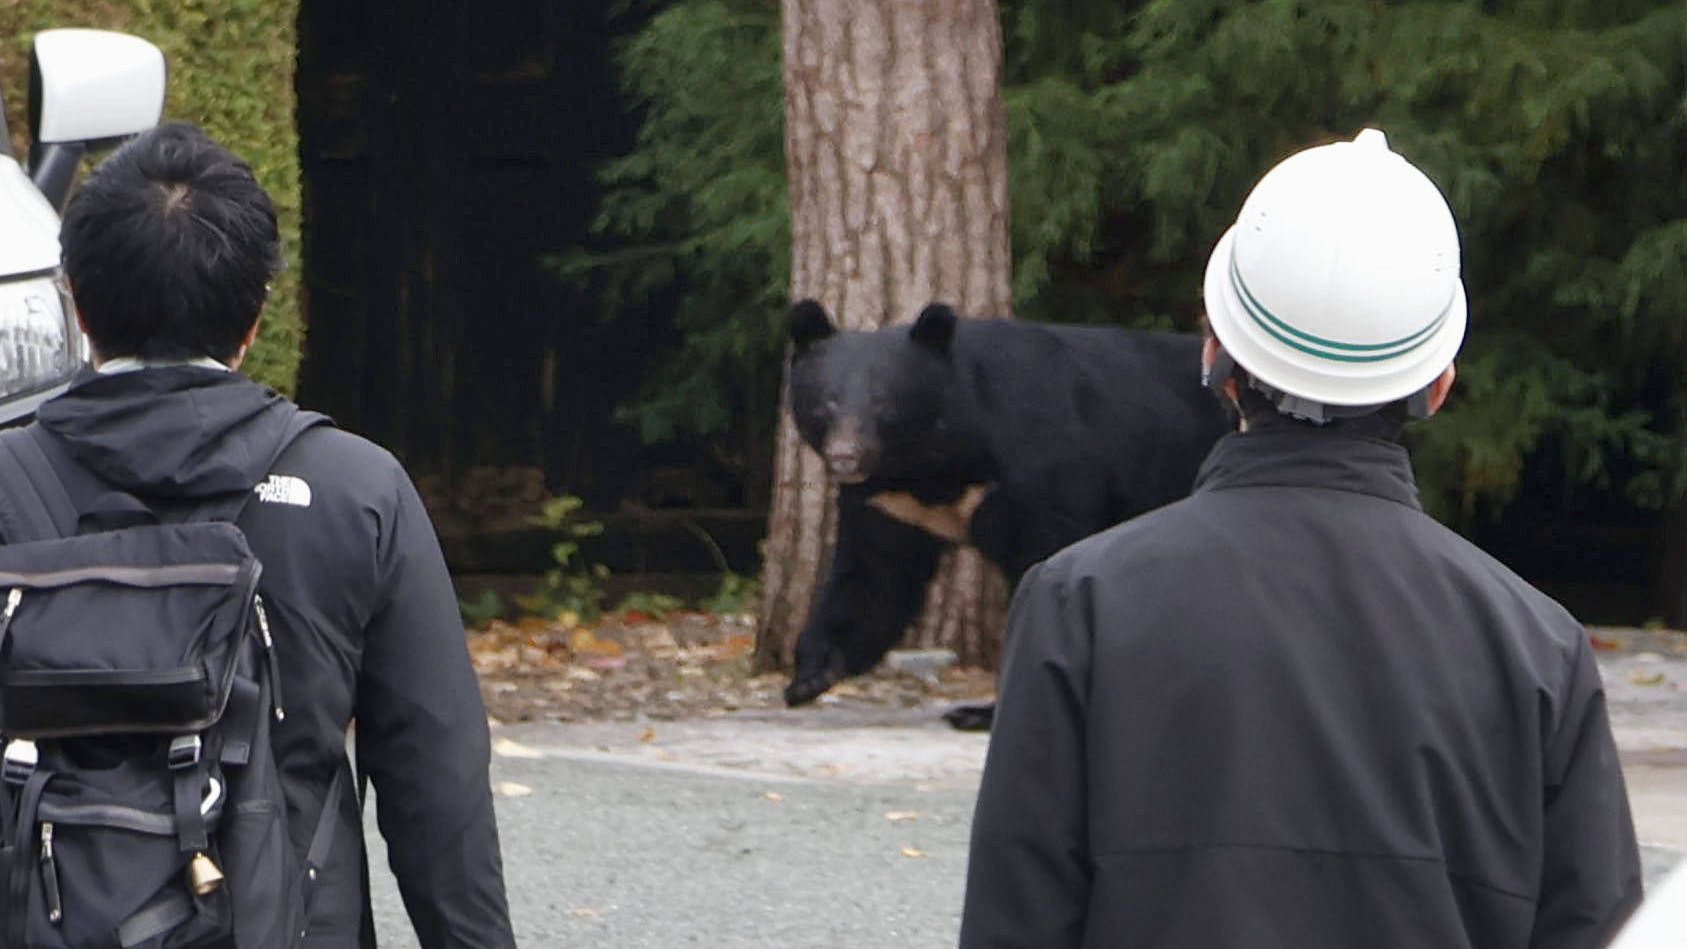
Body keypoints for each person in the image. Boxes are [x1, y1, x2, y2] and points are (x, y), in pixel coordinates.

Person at [959, 129, 1642, 948]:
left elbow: (1015, 924)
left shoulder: (1080, 604)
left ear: (1215, 351)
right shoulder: (1537, 647)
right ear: (1436, 382)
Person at [20, 122, 516, 948]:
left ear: (74, 299)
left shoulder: (7, 484)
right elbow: (438, 787)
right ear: (255, 312)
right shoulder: (357, 490)